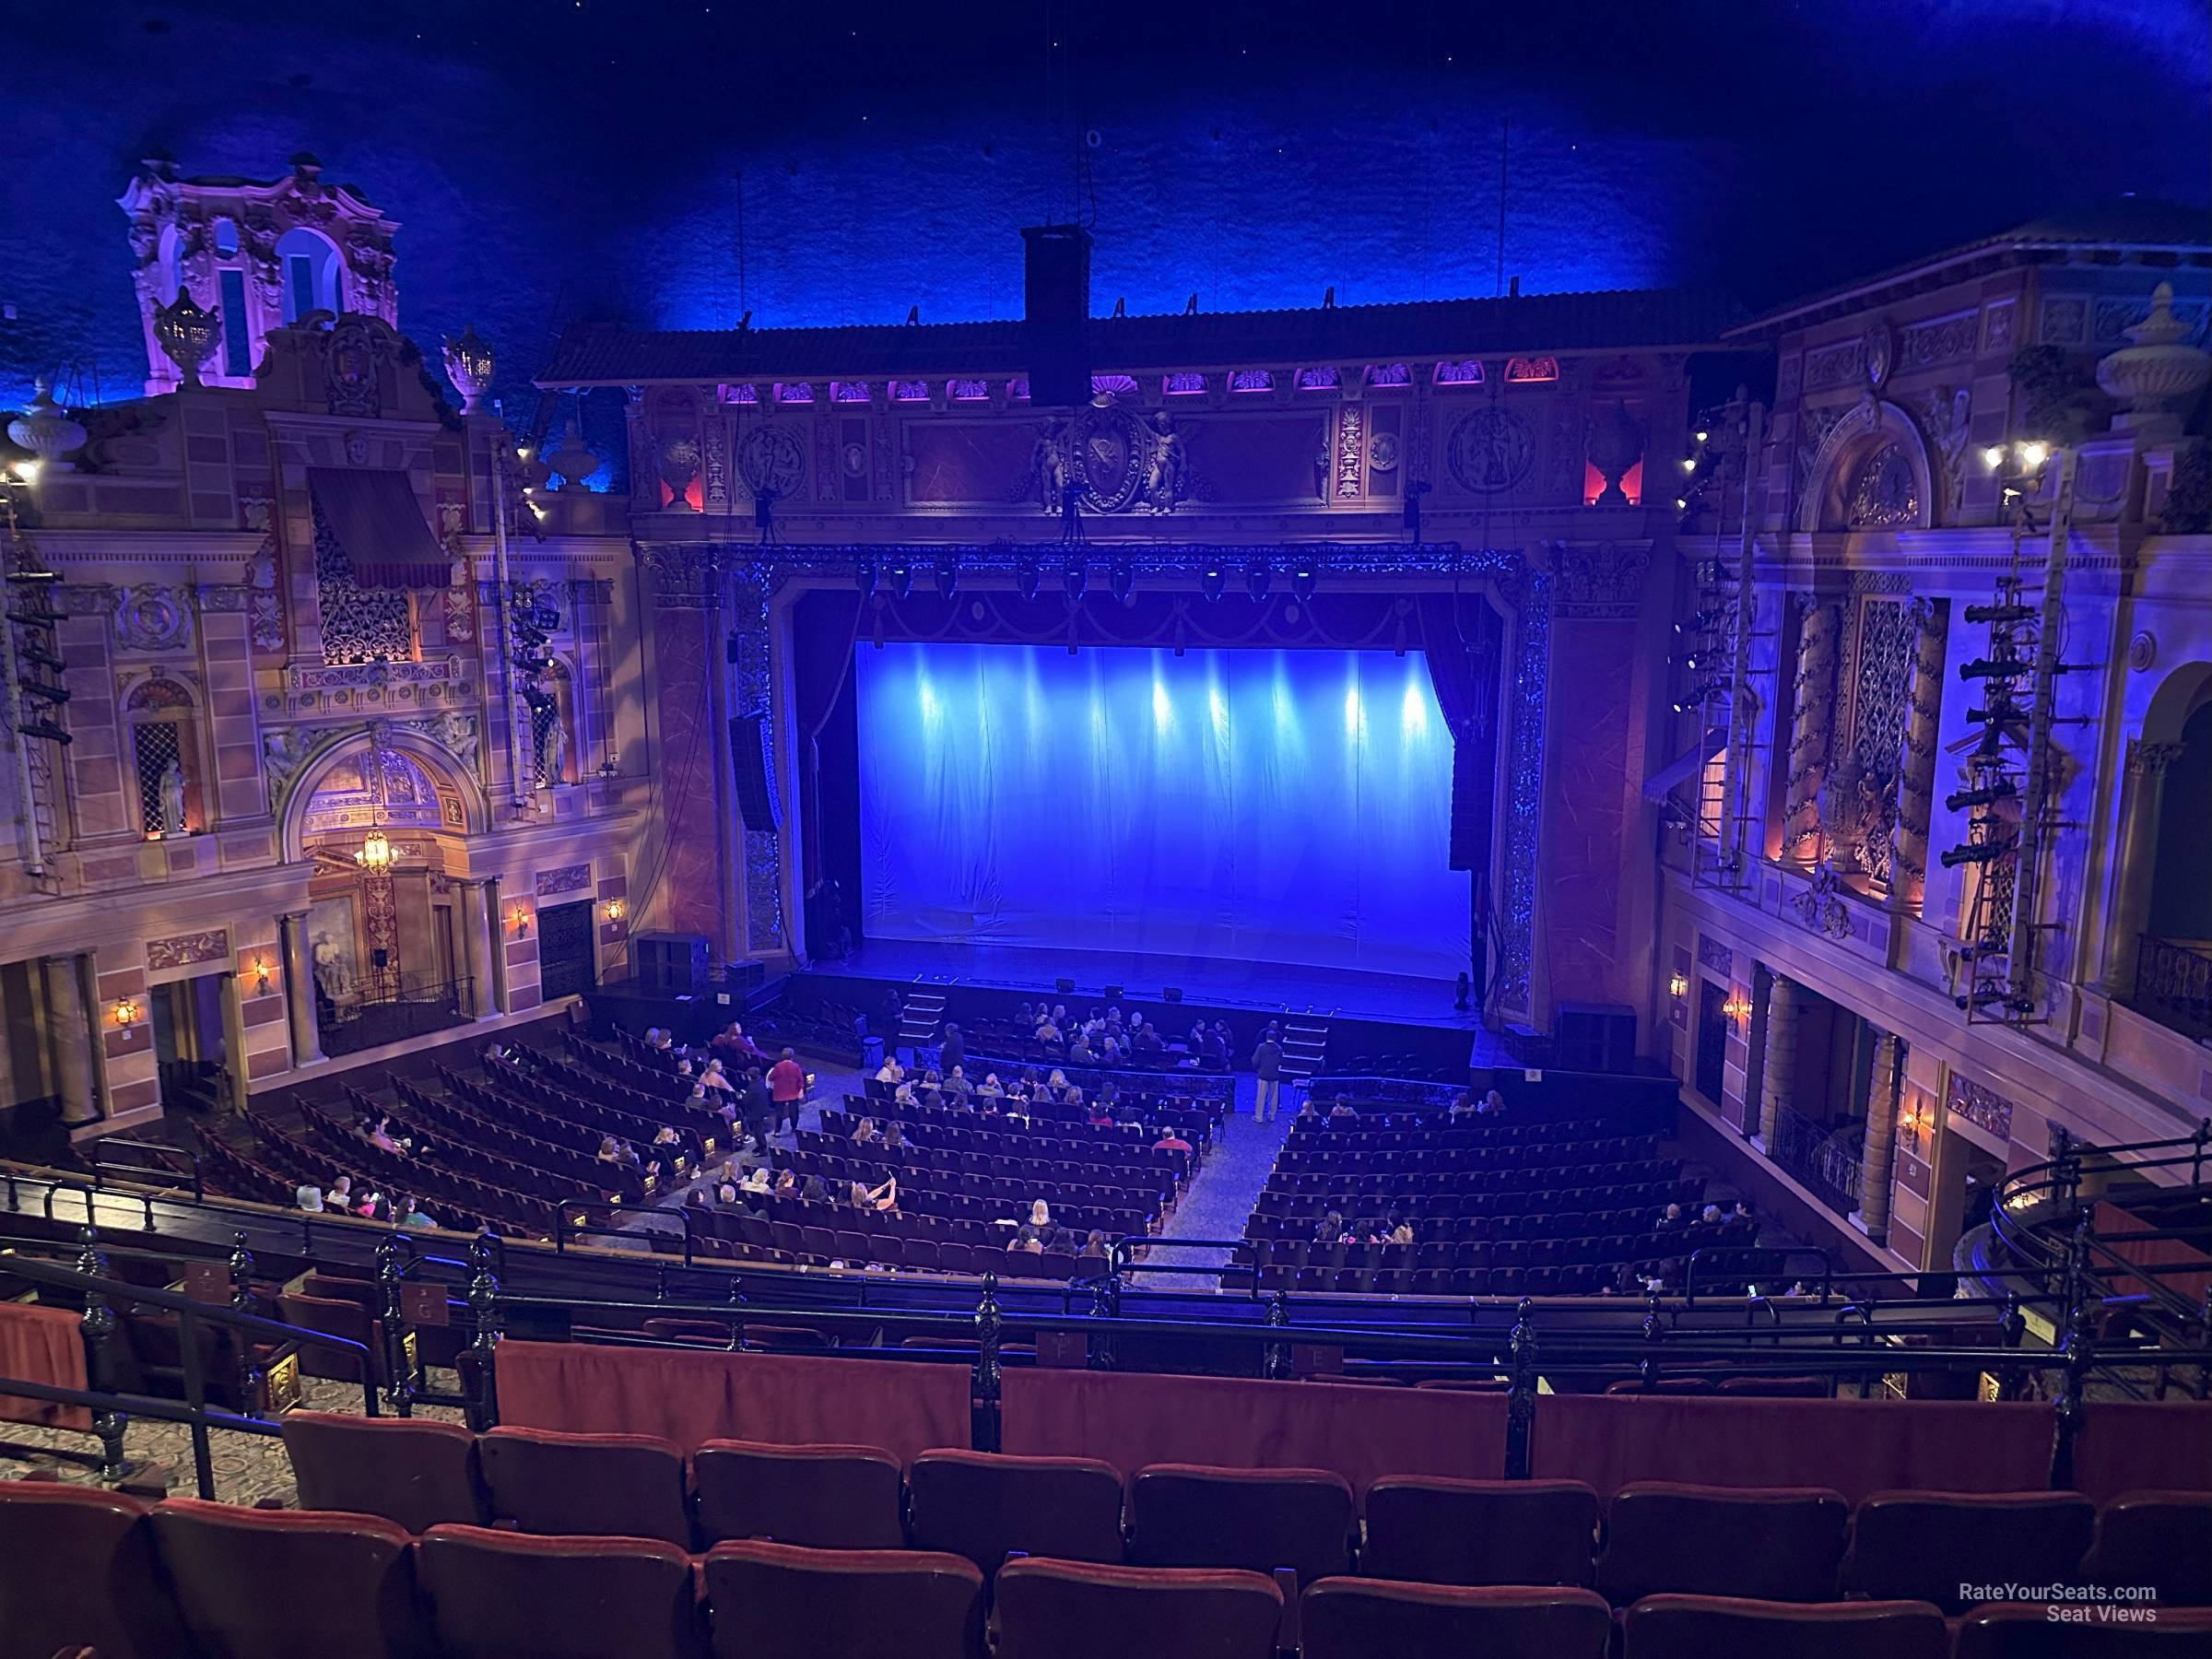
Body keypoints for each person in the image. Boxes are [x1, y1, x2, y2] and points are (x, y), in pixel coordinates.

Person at [767, 1047, 806, 1131]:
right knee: (794, 1112)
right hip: (793, 1093)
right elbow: (800, 1079)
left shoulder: (777, 1066)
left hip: (779, 1093)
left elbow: (770, 1078)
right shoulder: (796, 1066)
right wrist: (801, 1090)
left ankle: (777, 1131)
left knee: (779, 1114)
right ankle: (794, 1127)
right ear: (792, 1056)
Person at [1250, 1029, 1284, 1121]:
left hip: (1263, 1074)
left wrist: (1257, 1069)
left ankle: (1259, 1117)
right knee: (1274, 1097)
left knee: (1261, 1097)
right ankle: (1272, 1116)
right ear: (1275, 1038)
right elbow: (1282, 1061)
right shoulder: (1279, 1048)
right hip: (1275, 1075)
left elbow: (1255, 1060)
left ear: (1266, 1037)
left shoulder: (1261, 1047)